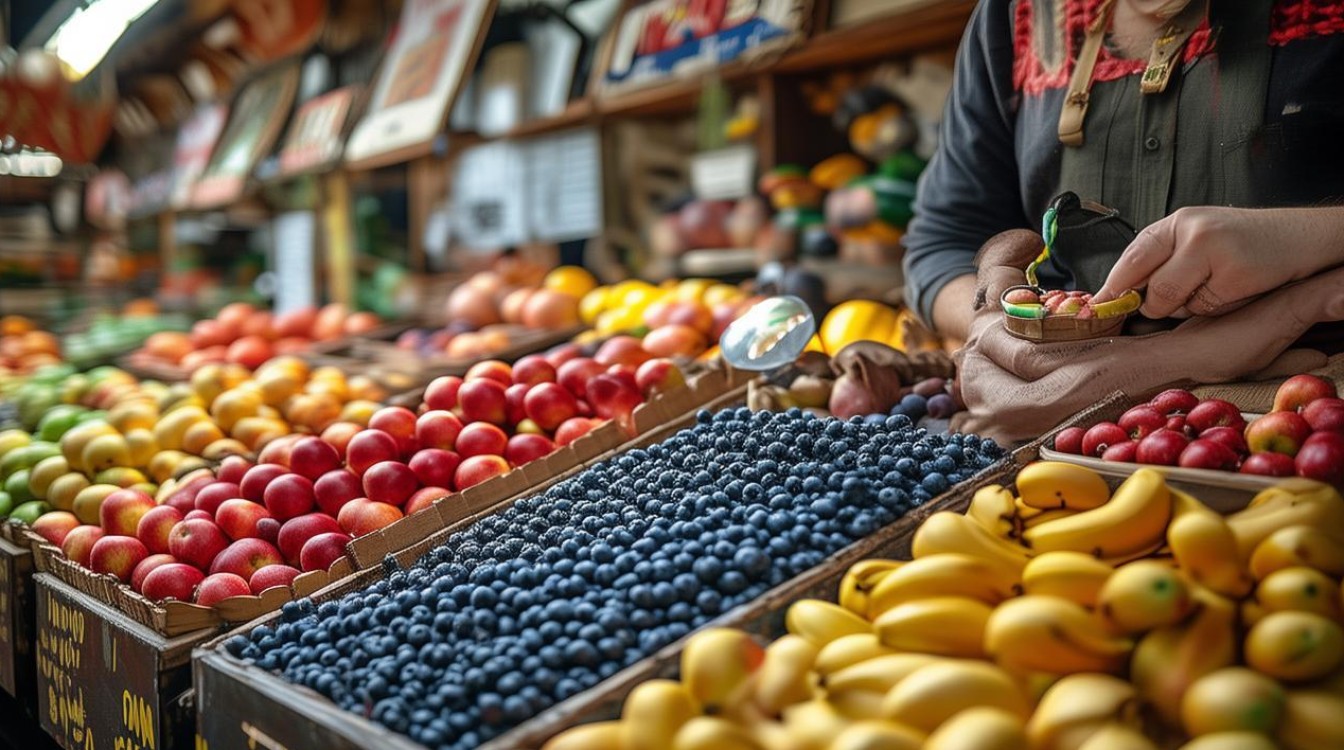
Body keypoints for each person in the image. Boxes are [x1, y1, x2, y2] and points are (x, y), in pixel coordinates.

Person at [902, 0, 1344, 442]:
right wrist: (1001, 331)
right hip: (1061, 432)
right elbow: (944, 239)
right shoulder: (1012, 14)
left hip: (1308, 420)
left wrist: (1308, 239)